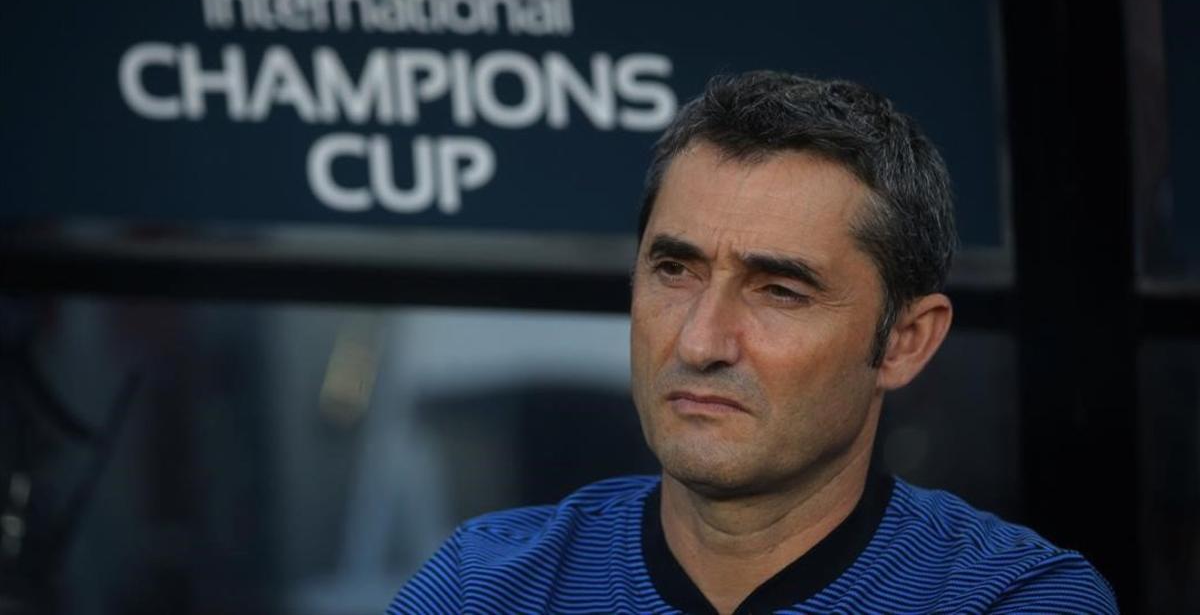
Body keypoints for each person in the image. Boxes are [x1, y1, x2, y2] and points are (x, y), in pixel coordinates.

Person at [388, 71, 1118, 614]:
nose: (701, 340)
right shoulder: (487, 583)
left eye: (780, 291)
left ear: (905, 341)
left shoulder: (1010, 599)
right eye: (674, 270)